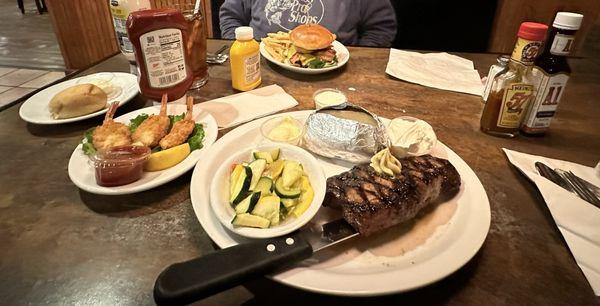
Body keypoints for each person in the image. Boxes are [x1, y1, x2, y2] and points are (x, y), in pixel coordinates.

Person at [219, 0, 397, 47]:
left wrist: (354, 61)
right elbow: (231, 16)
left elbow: (380, 28)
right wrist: (243, 53)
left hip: (335, 77)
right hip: (259, 70)